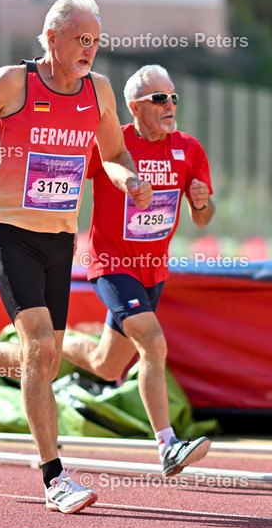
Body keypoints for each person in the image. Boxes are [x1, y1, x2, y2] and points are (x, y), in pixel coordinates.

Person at [0, 0, 152, 515]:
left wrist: (129, 178)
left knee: (41, 363)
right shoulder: (10, 84)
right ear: (51, 38)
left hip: (59, 238)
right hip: (7, 231)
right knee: (41, 345)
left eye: (95, 40)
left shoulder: (100, 91)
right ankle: (55, 478)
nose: (89, 49)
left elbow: (113, 152)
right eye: (80, 40)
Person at [61, 65, 215, 477]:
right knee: (153, 342)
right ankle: (167, 444)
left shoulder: (189, 149)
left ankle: (50, 342)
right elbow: (68, 180)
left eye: (173, 97)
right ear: (134, 108)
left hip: (153, 271)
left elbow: (203, 220)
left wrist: (201, 202)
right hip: (110, 261)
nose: (170, 106)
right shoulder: (114, 144)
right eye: (159, 99)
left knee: (107, 364)